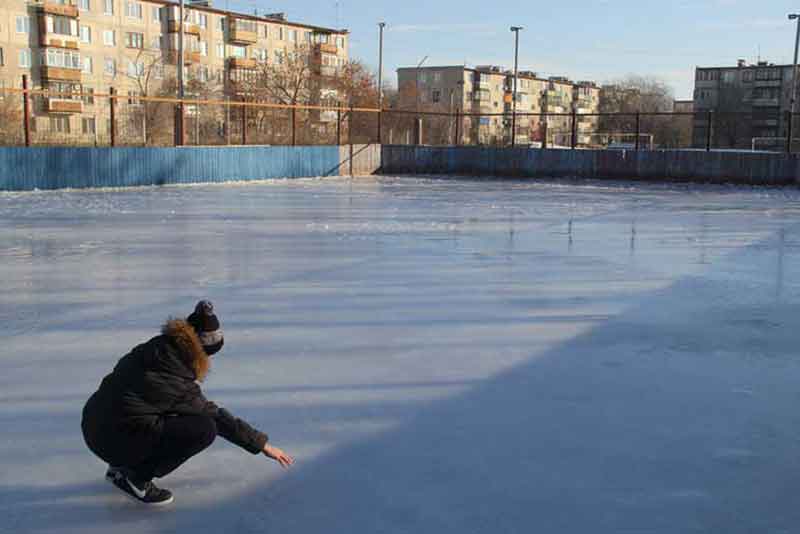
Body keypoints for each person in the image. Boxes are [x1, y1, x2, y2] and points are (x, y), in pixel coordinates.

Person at [81, 300, 293, 505]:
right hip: (110, 439)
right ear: (200, 351)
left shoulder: (157, 348)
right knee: (203, 428)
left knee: (170, 414)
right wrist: (262, 445)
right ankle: (135, 477)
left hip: (96, 422)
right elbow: (215, 417)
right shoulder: (174, 377)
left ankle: (122, 465)